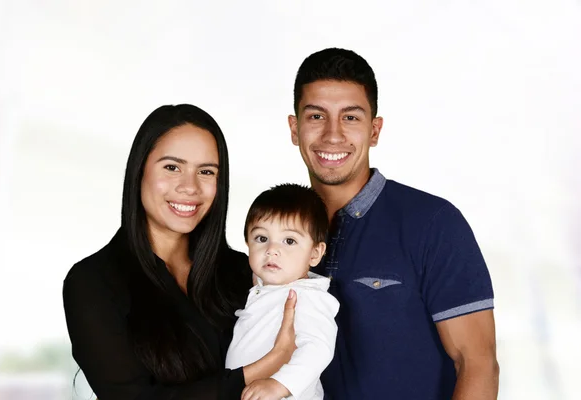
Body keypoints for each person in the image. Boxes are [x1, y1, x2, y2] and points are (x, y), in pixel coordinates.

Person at [287, 48, 500, 399]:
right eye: (316, 116)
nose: (333, 134)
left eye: (351, 118)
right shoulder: (280, 232)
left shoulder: (433, 223)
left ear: (375, 130)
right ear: (295, 129)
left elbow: (477, 362)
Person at [62, 104, 297, 400]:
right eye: (172, 167)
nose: (190, 187)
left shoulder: (247, 272)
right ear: (139, 171)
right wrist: (264, 367)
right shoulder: (92, 282)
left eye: (206, 171)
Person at [226, 184, 340, 400]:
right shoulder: (263, 289)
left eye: (289, 241)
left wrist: (280, 384)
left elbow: (318, 348)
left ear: (315, 253)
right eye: (261, 238)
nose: (271, 250)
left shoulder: (307, 297)